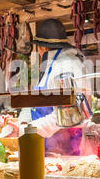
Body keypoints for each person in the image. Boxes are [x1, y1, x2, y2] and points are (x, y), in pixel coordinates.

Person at [20, 18, 88, 156]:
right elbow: (34, 101)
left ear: (42, 47)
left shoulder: (66, 65)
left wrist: (30, 128)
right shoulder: (51, 65)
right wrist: (22, 121)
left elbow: (70, 115)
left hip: (65, 148)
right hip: (45, 145)